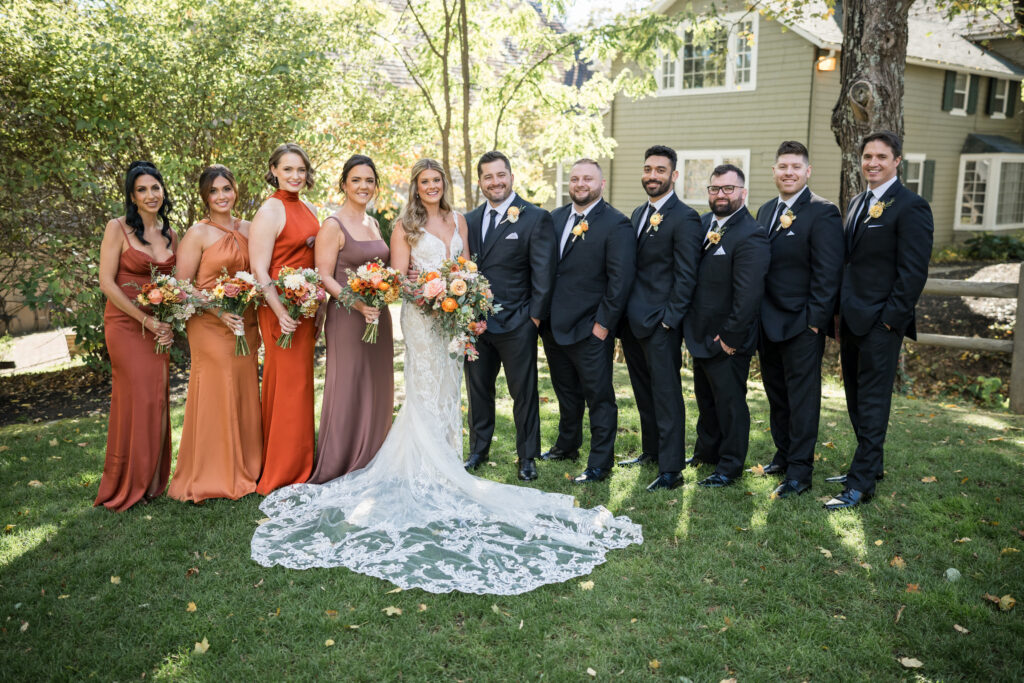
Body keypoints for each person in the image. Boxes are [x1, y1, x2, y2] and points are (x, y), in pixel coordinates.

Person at [251, 159, 641, 595]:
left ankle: (448, 459)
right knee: (426, 388)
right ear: (415, 189)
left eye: (437, 181)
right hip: (422, 320)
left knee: (450, 389)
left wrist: (462, 294)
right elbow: (398, 282)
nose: (431, 187)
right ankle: (425, 466)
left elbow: (467, 268)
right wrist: (430, 292)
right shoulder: (402, 226)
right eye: (424, 182)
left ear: (445, 185)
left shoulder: (460, 220)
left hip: (455, 319)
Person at [825, 130, 933, 510]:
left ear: (897, 161)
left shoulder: (911, 206)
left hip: (880, 325)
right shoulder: (857, 202)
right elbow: (849, 264)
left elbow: (913, 273)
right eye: (867, 156)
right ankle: (872, 466)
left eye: (881, 157)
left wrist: (889, 322)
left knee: (872, 403)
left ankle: (861, 485)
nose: (872, 163)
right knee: (855, 398)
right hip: (852, 320)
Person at [754, 142, 844, 499]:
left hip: (802, 324)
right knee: (777, 394)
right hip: (767, 321)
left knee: (802, 398)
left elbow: (828, 272)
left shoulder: (824, 212)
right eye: (782, 166)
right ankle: (783, 454)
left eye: (795, 166)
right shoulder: (764, 211)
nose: (788, 172)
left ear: (808, 171)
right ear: (775, 171)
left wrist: (814, 322)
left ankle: (801, 471)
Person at [168, 165, 263, 503]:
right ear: (205, 197)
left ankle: (250, 466)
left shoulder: (252, 228)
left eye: (227, 189)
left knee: (244, 387)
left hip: (245, 321)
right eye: (214, 191)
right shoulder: (198, 233)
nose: (222, 196)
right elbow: (181, 287)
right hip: (209, 322)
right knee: (218, 388)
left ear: (236, 190)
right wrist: (219, 310)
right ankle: (214, 472)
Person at [540, 159, 636, 484]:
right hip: (554, 327)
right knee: (566, 393)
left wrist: (603, 325)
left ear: (602, 183)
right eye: (575, 178)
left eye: (588, 179)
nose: (580, 184)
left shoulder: (616, 224)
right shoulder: (554, 219)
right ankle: (567, 446)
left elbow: (620, 281)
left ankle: (599, 463)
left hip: (590, 328)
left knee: (599, 398)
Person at [463, 151, 556, 482]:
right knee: (478, 390)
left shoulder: (534, 217)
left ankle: (527, 456)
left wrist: (533, 319)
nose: (495, 182)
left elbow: (544, 274)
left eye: (500, 175)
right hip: (476, 323)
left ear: (511, 177)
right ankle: (478, 450)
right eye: (488, 177)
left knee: (524, 393)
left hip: (518, 322)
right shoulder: (469, 220)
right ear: (480, 182)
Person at [618, 145, 703, 491]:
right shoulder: (639, 213)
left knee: (667, 395)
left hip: (661, 324)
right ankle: (651, 451)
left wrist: (671, 319)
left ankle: (671, 469)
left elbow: (687, 274)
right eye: (648, 169)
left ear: (674, 176)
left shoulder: (685, 218)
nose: (653, 176)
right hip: (633, 322)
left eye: (660, 170)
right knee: (643, 391)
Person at [95, 161, 177, 511]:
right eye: (142, 189)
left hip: (159, 326)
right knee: (141, 396)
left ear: (162, 190)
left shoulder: (172, 233)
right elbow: (106, 282)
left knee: (158, 397)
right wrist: (143, 319)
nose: (150, 195)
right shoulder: (117, 228)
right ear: (132, 195)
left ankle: (154, 481)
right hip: (127, 324)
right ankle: (130, 481)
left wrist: (170, 318)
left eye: (155, 187)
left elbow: (177, 284)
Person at [308, 155, 394, 483]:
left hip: (378, 317)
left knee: (376, 386)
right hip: (347, 316)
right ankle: (341, 460)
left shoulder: (373, 223)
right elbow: (324, 277)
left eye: (369, 180)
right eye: (356, 180)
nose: (363, 186)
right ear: (344, 183)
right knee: (348, 385)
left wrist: (381, 296)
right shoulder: (333, 225)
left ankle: (373, 455)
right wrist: (357, 305)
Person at [684, 164, 770, 489]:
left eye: (728, 189)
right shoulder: (705, 224)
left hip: (728, 339)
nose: (720, 195)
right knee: (706, 399)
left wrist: (730, 337)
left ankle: (730, 465)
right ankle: (706, 453)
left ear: (742, 192)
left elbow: (749, 293)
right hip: (700, 333)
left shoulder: (752, 233)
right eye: (715, 189)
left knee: (730, 404)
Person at [249, 143, 320, 495]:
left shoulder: (307, 207)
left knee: (300, 384)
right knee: (288, 384)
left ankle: (301, 461)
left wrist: (313, 306)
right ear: (274, 170)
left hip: (303, 308)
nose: (295, 175)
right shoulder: (271, 209)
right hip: (279, 308)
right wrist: (279, 311)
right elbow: (259, 268)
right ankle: (283, 468)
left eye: (301, 170)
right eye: (288, 169)